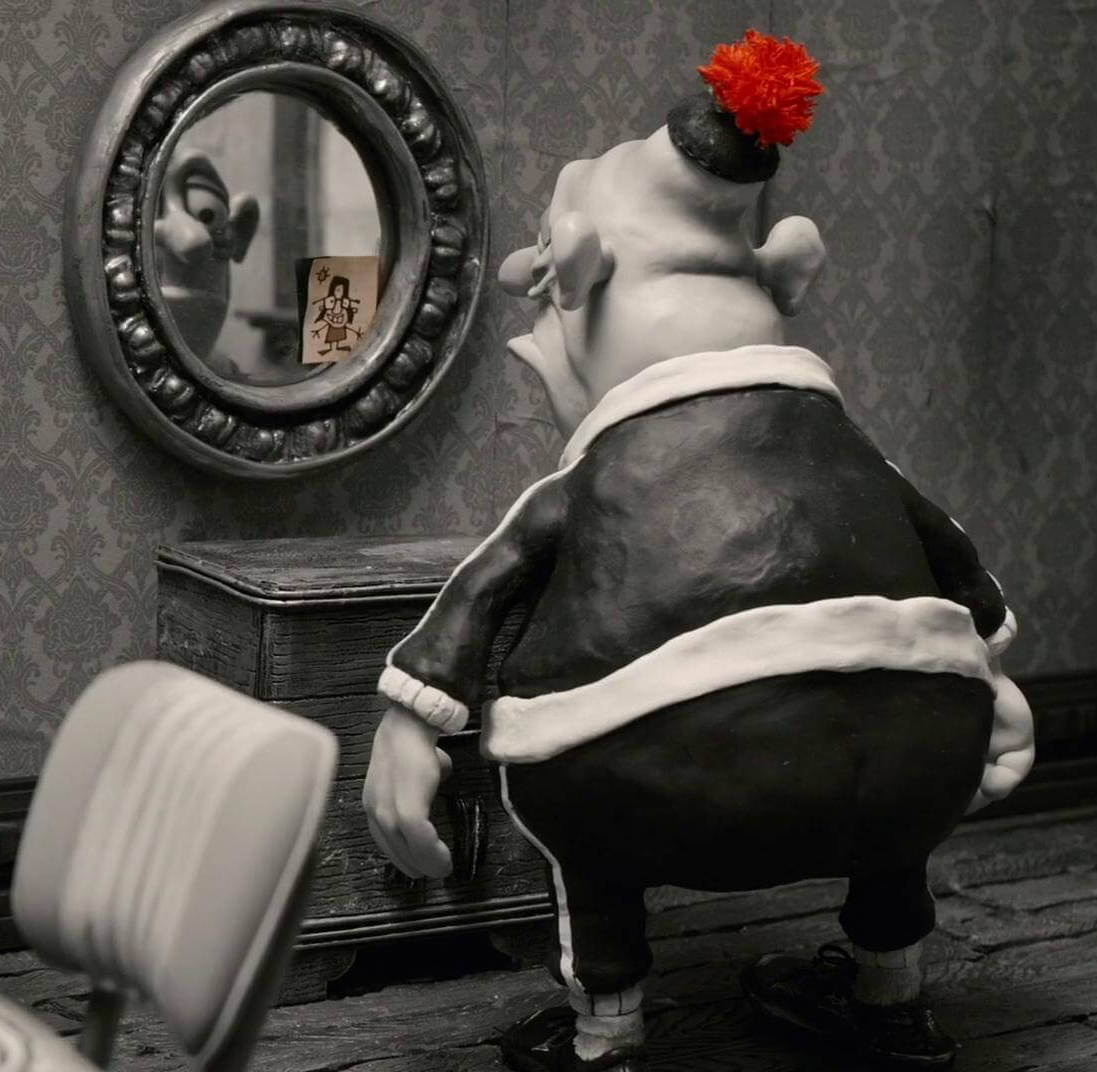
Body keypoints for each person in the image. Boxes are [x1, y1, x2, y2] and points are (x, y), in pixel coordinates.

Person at [361, 31, 1033, 1072]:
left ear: (585, 283)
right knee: (894, 797)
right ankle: (890, 998)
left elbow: (483, 588)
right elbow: (960, 569)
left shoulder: (584, 484)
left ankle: (607, 1030)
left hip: (661, 783)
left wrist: (409, 722)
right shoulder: (859, 455)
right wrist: (989, 672)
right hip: (916, 766)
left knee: (569, 796)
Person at [152, 148, 259, 369]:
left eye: (207, 214)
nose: (192, 241)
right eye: (152, 214)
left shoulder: (227, 373)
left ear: (240, 232)